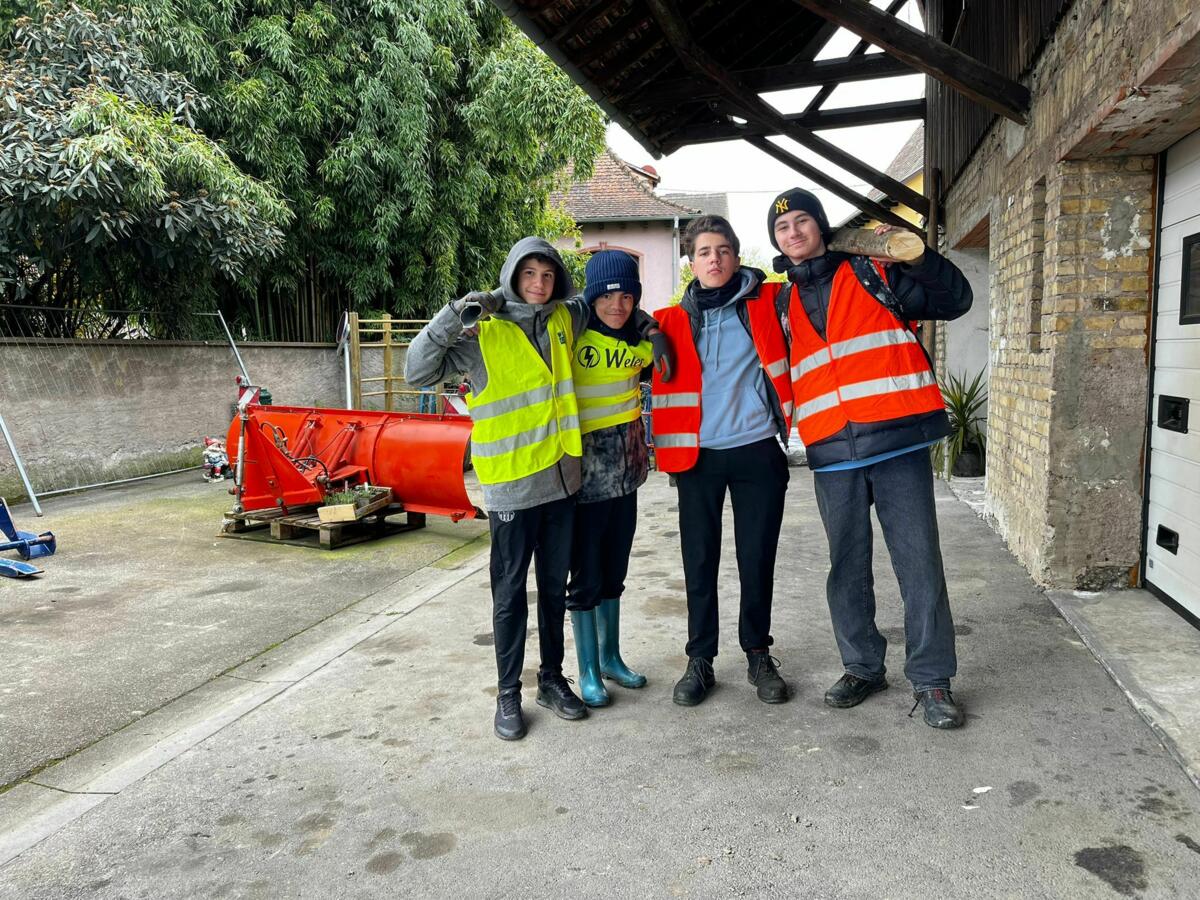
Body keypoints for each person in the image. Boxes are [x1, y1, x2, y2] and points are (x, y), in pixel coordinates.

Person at [404, 237, 668, 741]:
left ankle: (552, 679)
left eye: (547, 275)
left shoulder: (565, 320)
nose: (539, 284)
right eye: (529, 274)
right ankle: (508, 694)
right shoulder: (482, 334)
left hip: (562, 481)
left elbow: (611, 301)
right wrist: (459, 311)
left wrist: (651, 329)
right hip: (510, 488)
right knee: (509, 596)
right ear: (512, 276)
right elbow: (417, 370)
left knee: (552, 590)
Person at [767, 187, 973, 729]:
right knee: (847, 568)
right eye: (782, 228)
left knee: (919, 562)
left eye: (802, 221)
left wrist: (916, 256)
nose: (793, 232)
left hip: (897, 440)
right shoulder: (782, 304)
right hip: (832, 451)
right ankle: (862, 667)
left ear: (821, 226)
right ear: (777, 242)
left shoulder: (872, 271)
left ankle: (932, 680)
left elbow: (955, 300)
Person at [650, 215, 794, 708]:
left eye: (723, 250)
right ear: (691, 262)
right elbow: (607, 320)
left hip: (756, 448)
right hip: (697, 457)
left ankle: (758, 653)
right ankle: (700, 659)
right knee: (699, 560)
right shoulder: (667, 322)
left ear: (735, 256)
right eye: (704, 252)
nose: (714, 259)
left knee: (756, 557)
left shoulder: (768, 303)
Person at [567, 250, 655, 707]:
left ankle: (610, 657)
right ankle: (586, 670)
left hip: (627, 479)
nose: (616, 306)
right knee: (585, 578)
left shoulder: (641, 343)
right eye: (606, 296)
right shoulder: (573, 337)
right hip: (583, 485)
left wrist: (652, 328)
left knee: (615, 574)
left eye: (626, 297)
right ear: (591, 299)